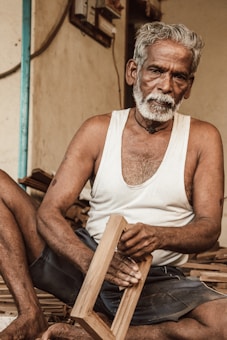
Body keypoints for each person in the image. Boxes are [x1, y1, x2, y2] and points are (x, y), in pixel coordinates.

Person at [0, 21, 226, 340]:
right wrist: (91, 263)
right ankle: (30, 313)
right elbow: (49, 212)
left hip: (153, 282)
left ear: (189, 86)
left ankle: (104, 335)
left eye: (179, 76)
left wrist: (159, 236)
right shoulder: (98, 130)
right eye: (156, 70)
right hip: (81, 265)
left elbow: (209, 228)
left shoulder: (203, 139)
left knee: (224, 322)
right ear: (133, 71)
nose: (165, 85)